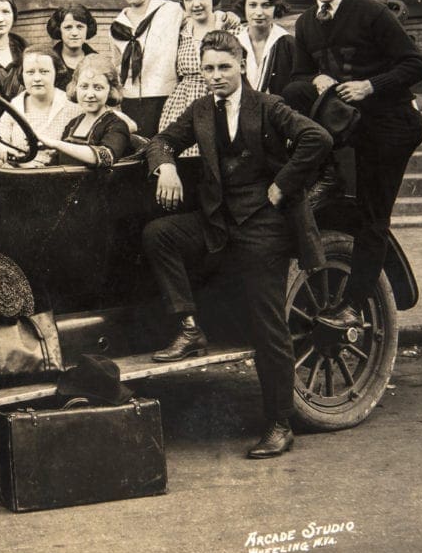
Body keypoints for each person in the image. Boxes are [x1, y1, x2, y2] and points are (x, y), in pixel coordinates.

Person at [142, 31, 331, 458]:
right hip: (219, 223)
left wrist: (283, 185)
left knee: (266, 322)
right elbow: (161, 141)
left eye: (224, 67)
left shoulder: (268, 106)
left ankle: (280, 423)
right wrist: (166, 167)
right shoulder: (201, 110)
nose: (216, 76)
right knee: (160, 234)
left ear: (242, 65)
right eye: (208, 68)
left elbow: (316, 138)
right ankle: (189, 328)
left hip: (264, 227)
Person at [283, 0, 422, 330]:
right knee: (291, 94)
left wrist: (370, 85)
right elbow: (298, 75)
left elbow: (416, 64)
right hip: (347, 126)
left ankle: (354, 304)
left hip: (390, 126)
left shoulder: (371, 13)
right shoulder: (306, 22)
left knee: (372, 215)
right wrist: (316, 78)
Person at [158, 0, 242, 145]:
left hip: (220, 98)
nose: (196, 4)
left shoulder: (230, 29)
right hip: (183, 103)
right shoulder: (179, 32)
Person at [109, 0, 184, 136]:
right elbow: (117, 63)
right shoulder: (117, 24)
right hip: (130, 99)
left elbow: (199, 23)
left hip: (165, 96)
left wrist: (222, 16)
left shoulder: (171, 11)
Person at [0, 45, 81, 167]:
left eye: (44, 72)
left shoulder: (73, 106)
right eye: (30, 72)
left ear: (57, 72)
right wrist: (2, 150)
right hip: (16, 175)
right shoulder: (14, 106)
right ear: (22, 74)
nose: (37, 78)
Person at [40, 52, 133, 167]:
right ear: (75, 88)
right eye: (84, 86)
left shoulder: (116, 125)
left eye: (98, 88)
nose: (90, 94)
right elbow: (57, 163)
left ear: (111, 91)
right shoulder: (73, 124)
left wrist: (56, 144)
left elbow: (106, 158)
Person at [235, 0, 295, 95]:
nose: (259, 12)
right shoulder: (235, 42)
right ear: (244, 6)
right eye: (252, 5)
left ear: (276, 7)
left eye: (266, 5)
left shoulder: (288, 43)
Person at [46, 3, 98, 90]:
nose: (74, 33)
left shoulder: (98, 62)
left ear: (87, 29)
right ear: (59, 30)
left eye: (80, 27)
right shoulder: (48, 61)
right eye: (68, 27)